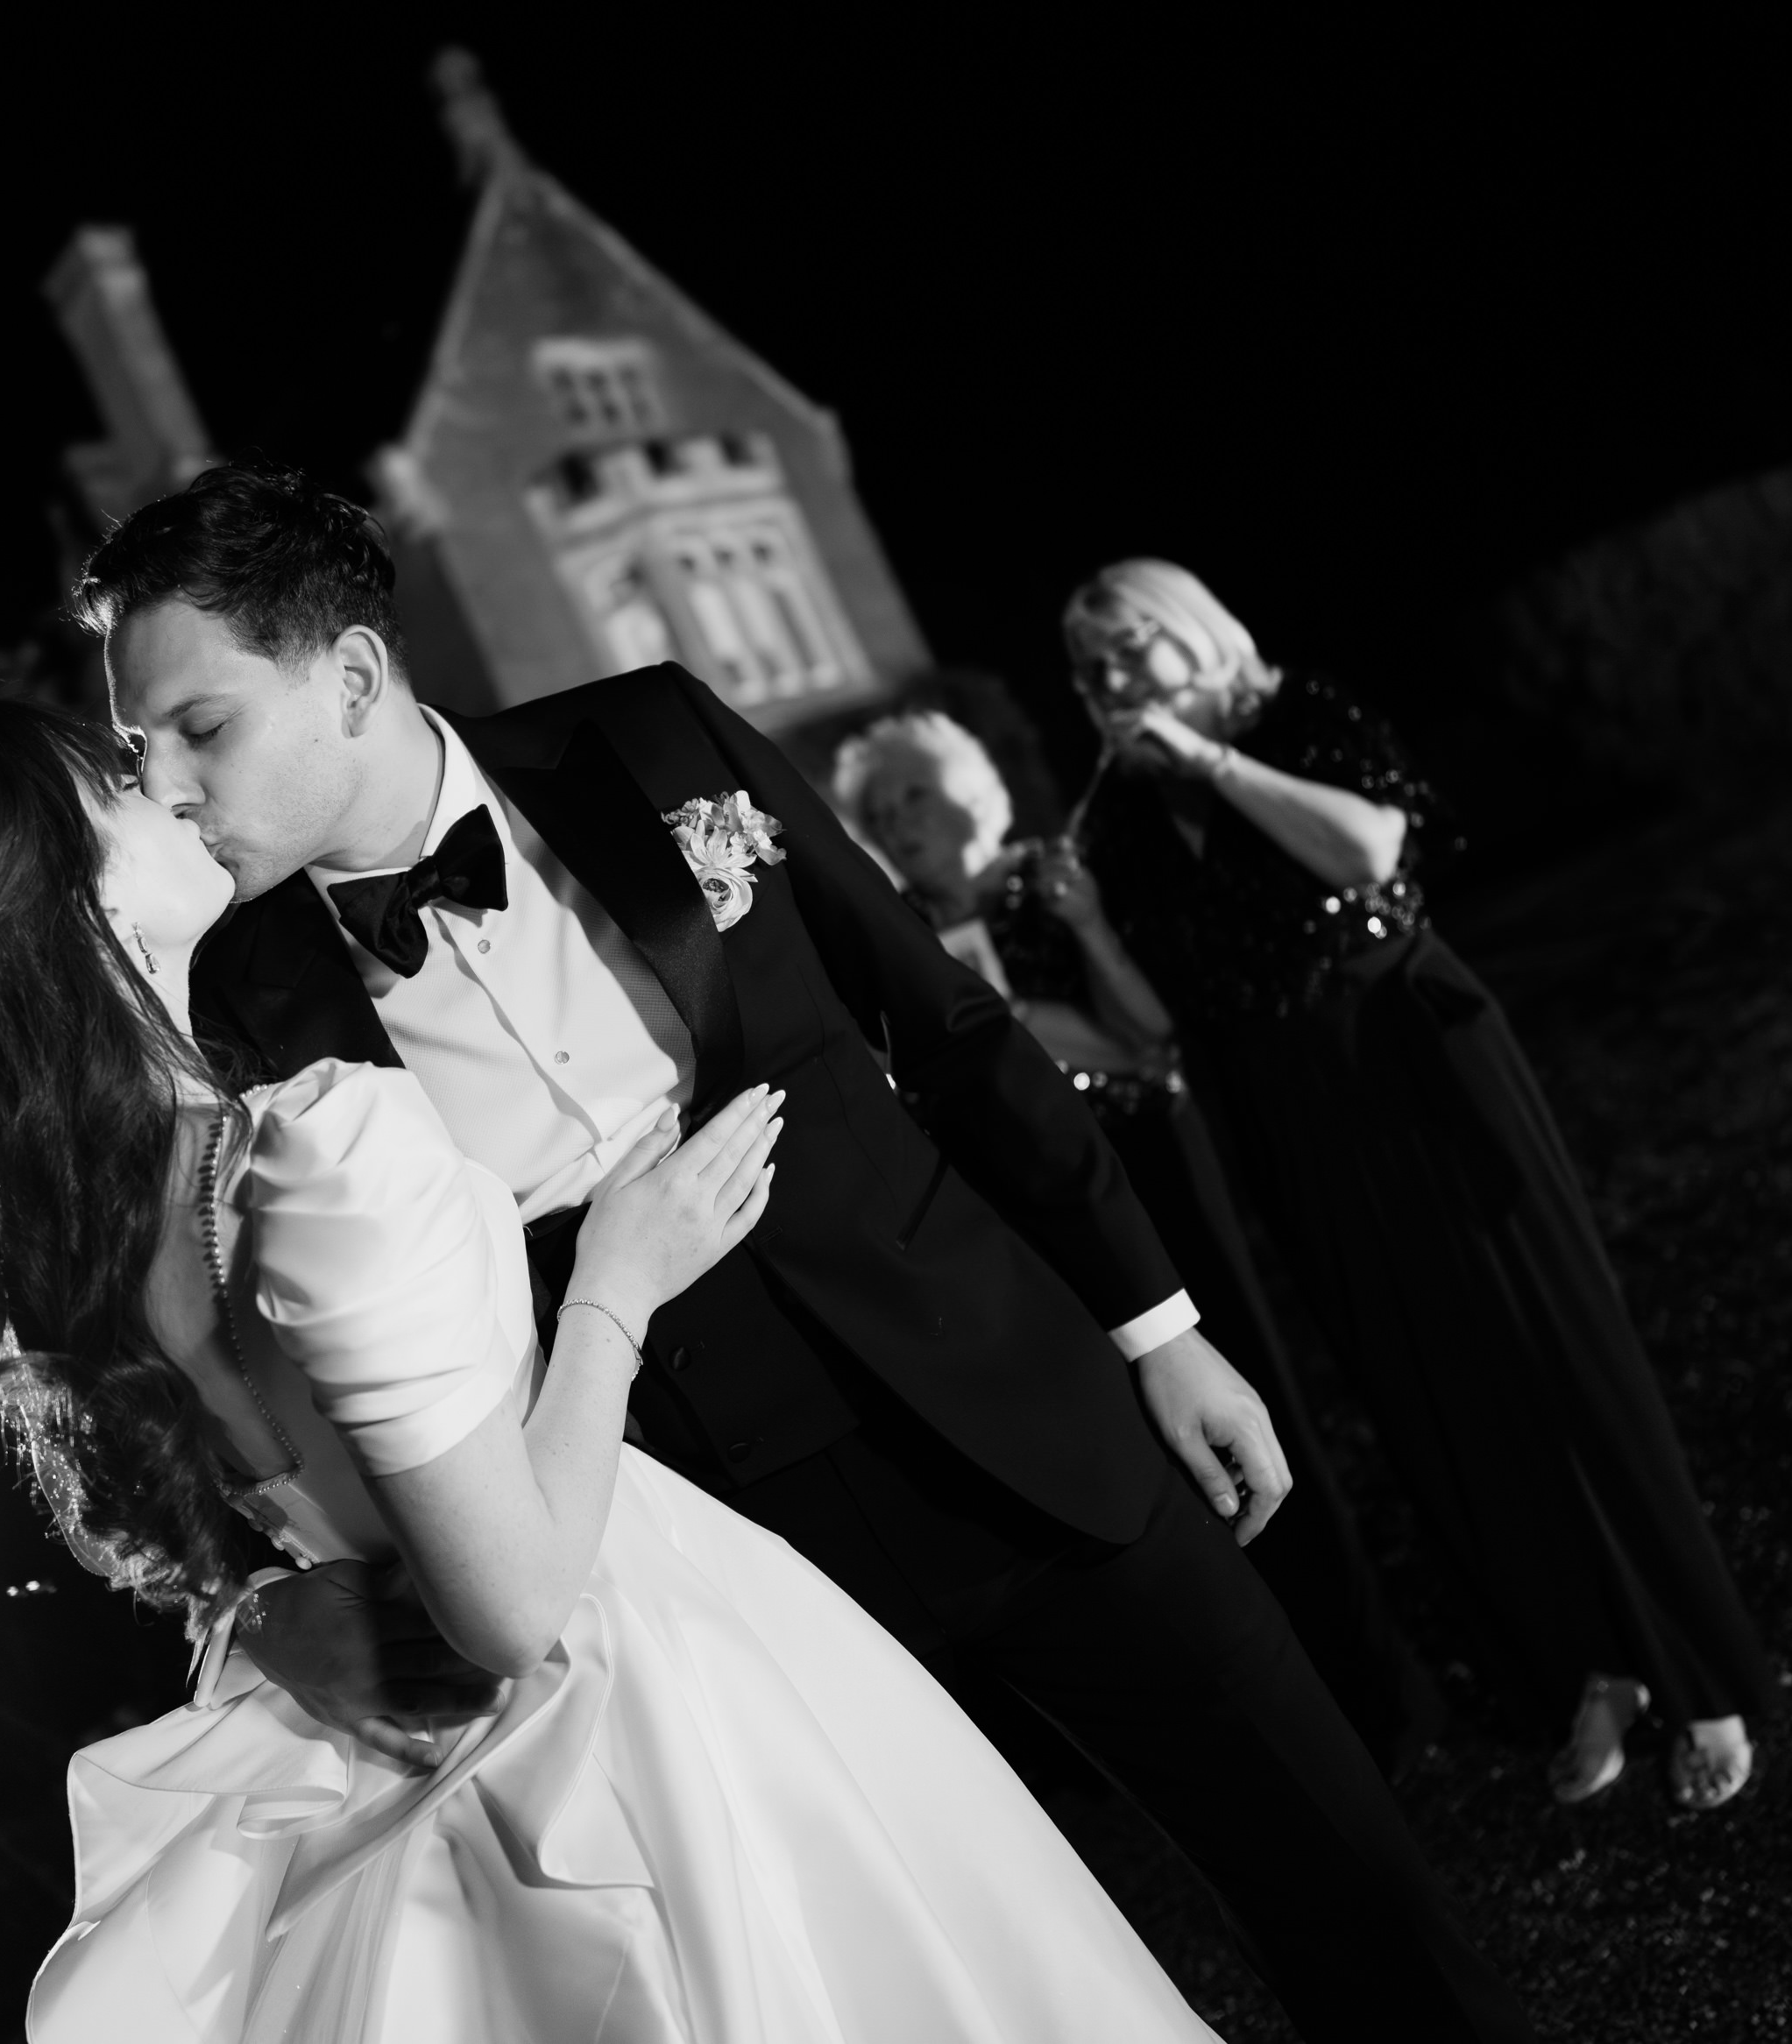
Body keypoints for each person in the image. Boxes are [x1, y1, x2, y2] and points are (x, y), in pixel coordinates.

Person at [98, 465, 1535, 2041]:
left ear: (354, 674)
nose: (163, 780)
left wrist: (1158, 1323)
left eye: (202, 726)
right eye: (136, 743)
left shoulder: (646, 737)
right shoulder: (236, 1003)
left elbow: (950, 1021)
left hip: (1008, 1407)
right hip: (722, 1558)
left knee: (1343, 1878)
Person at [0, 696, 1225, 2040]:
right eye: (109, 777)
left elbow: (226, 1516)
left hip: (388, 1744)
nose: (161, 784)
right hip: (611, 1694)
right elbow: (509, 1604)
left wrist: (277, 1606)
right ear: (79, 896)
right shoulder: (319, 1148)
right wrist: (617, 1287)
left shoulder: (69, 1235)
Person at [1059, 558, 1774, 1809]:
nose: (1115, 683)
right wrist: (1085, 926)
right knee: (1429, 1396)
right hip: (1291, 1120)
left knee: (1552, 1362)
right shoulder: (1112, 821)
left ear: (1194, 634)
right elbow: (1162, 1023)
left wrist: (1211, 763)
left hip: (1415, 1061)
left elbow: (1371, 841)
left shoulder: (1295, 720)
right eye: (1093, 667)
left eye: (1133, 649)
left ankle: (1697, 1662)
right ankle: (1585, 1667)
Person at [832, 709, 1441, 1771]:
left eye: (914, 794)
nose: (899, 821)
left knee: (1256, 1409)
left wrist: (1076, 946)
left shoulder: (1051, 881)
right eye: (880, 811)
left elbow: (1147, 1032)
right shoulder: (898, 934)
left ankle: (1379, 1693)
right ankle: (1269, 1712)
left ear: (972, 790)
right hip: (1036, 1215)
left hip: (1150, 1166)